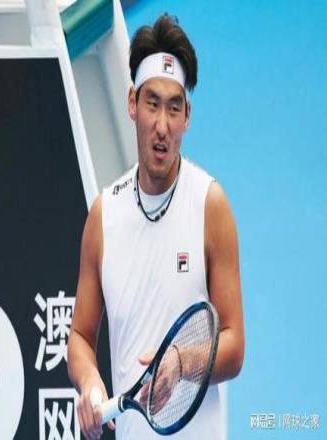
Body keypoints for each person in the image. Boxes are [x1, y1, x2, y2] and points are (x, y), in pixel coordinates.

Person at [67, 13, 245, 440]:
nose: (162, 126)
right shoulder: (103, 217)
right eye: (151, 104)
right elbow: (80, 337)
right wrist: (90, 384)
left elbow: (234, 344)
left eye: (173, 107)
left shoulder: (210, 205)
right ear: (132, 103)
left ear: (187, 116)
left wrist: (182, 363)